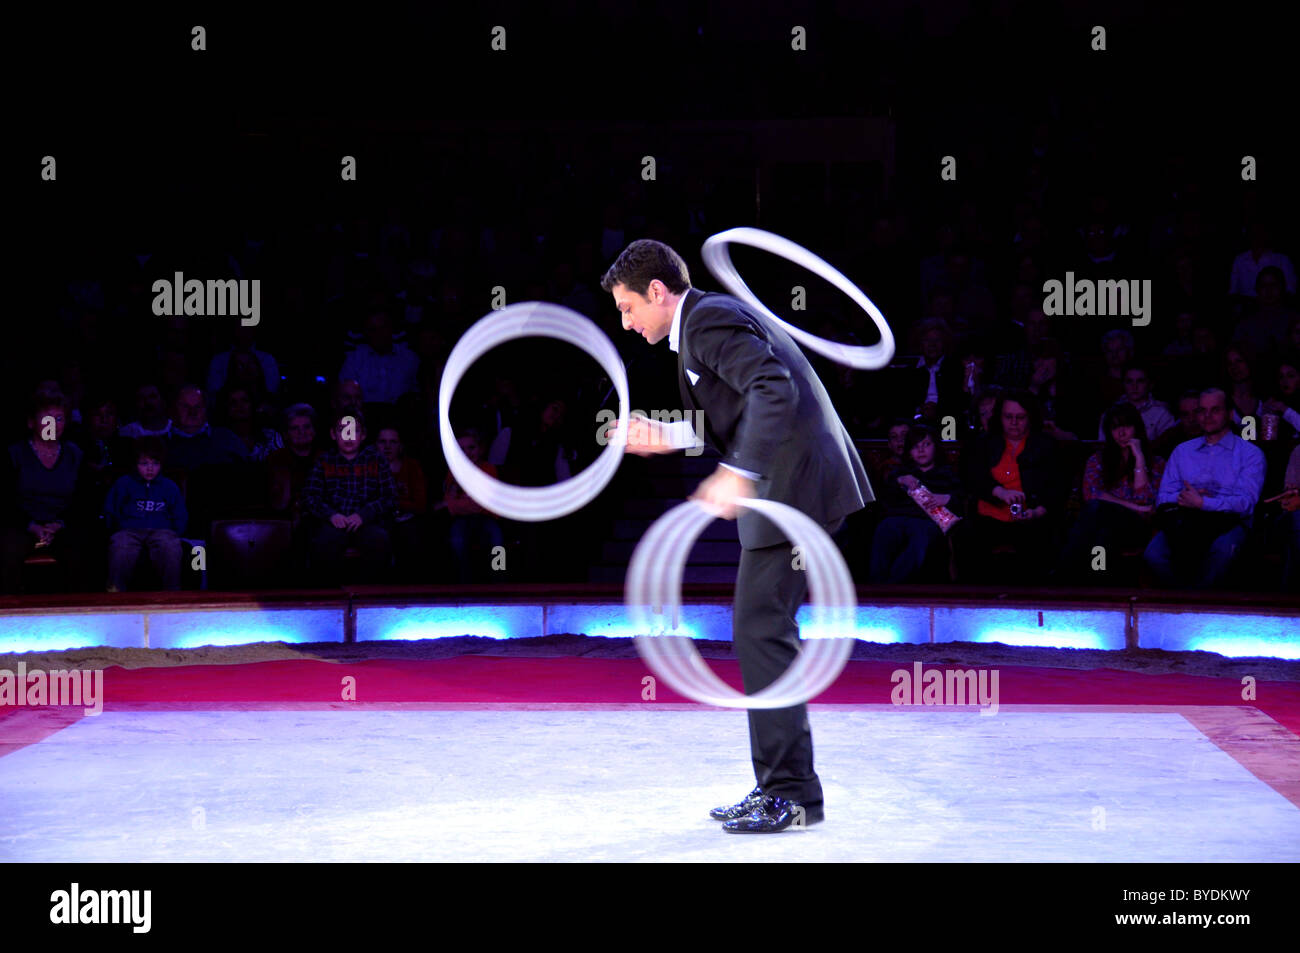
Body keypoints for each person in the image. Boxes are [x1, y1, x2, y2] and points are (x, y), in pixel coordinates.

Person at [602, 239, 871, 834]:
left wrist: (738, 471)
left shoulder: (708, 319)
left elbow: (775, 390)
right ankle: (780, 788)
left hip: (795, 491)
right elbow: (738, 410)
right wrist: (666, 435)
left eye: (627, 309)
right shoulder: (699, 325)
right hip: (785, 491)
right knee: (759, 633)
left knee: (761, 632)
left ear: (656, 292)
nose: (625, 324)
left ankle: (793, 796)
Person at [1144, 388, 1266, 588]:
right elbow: (1163, 497)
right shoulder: (1182, 451)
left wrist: (1204, 503)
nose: (1207, 416)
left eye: (1215, 410)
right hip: (1185, 519)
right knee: (1154, 555)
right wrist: (1186, 498)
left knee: (1224, 551)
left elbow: (1246, 504)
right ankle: (1185, 601)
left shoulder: (1250, 454)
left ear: (1228, 413)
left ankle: (1197, 605)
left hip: (1229, 522)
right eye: (1202, 411)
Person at [952, 389, 1068, 584]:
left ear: (1030, 417)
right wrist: (999, 491)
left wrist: (1038, 511)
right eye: (1008, 417)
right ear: (1000, 417)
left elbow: (1057, 487)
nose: (1014, 423)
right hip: (988, 517)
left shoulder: (1047, 446)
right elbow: (971, 477)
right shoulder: (983, 443)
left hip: (1030, 517)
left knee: (1041, 543)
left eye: (1020, 417)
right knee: (965, 537)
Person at [0, 387, 94, 593]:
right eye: (47, 418)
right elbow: (5, 501)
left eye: (59, 419)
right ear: (31, 422)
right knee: (6, 549)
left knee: (81, 549)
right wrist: (31, 526)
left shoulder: (75, 454)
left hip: (62, 526)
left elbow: (84, 501)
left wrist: (59, 524)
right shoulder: (14, 454)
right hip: (22, 525)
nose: (53, 424)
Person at [1057, 403, 1164, 583]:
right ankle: (1098, 582)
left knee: (1097, 513)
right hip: (1105, 526)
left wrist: (1139, 459)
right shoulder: (1097, 460)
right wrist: (1131, 505)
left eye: (1126, 426)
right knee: (1103, 530)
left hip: (1136, 528)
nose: (1121, 433)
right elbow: (1092, 496)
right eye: (1115, 427)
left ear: (1137, 428)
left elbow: (1146, 501)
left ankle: (1063, 575)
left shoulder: (1156, 462)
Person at [299, 410, 396, 585]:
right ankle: (334, 597)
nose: (349, 436)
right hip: (334, 522)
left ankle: (365, 595)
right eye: (343, 430)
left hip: (367, 522)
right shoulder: (324, 461)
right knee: (322, 544)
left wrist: (364, 514)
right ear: (333, 434)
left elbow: (390, 496)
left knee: (380, 541)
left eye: (355, 430)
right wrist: (331, 514)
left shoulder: (376, 460)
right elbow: (310, 496)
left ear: (364, 435)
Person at [869, 423, 965, 583]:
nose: (921, 450)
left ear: (935, 447)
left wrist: (946, 498)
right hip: (898, 517)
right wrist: (900, 480)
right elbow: (883, 493)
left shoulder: (946, 474)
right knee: (884, 530)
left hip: (926, 521)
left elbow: (962, 499)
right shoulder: (901, 473)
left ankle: (892, 585)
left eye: (926, 445)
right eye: (915, 446)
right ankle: (876, 585)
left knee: (921, 536)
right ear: (909, 451)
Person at [103, 437, 188, 591]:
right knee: (120, 546)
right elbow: (111, 509)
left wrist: (175, 532)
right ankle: (114, 593)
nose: (150, 469)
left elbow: (180, 513)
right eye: (144, 463)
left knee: (171, 546)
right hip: (129, 530)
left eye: (155, 464)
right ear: (135, 464)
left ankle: (173, 594)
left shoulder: (169, 486)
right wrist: (115, 529)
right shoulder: (124, 483)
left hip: (161, 530)